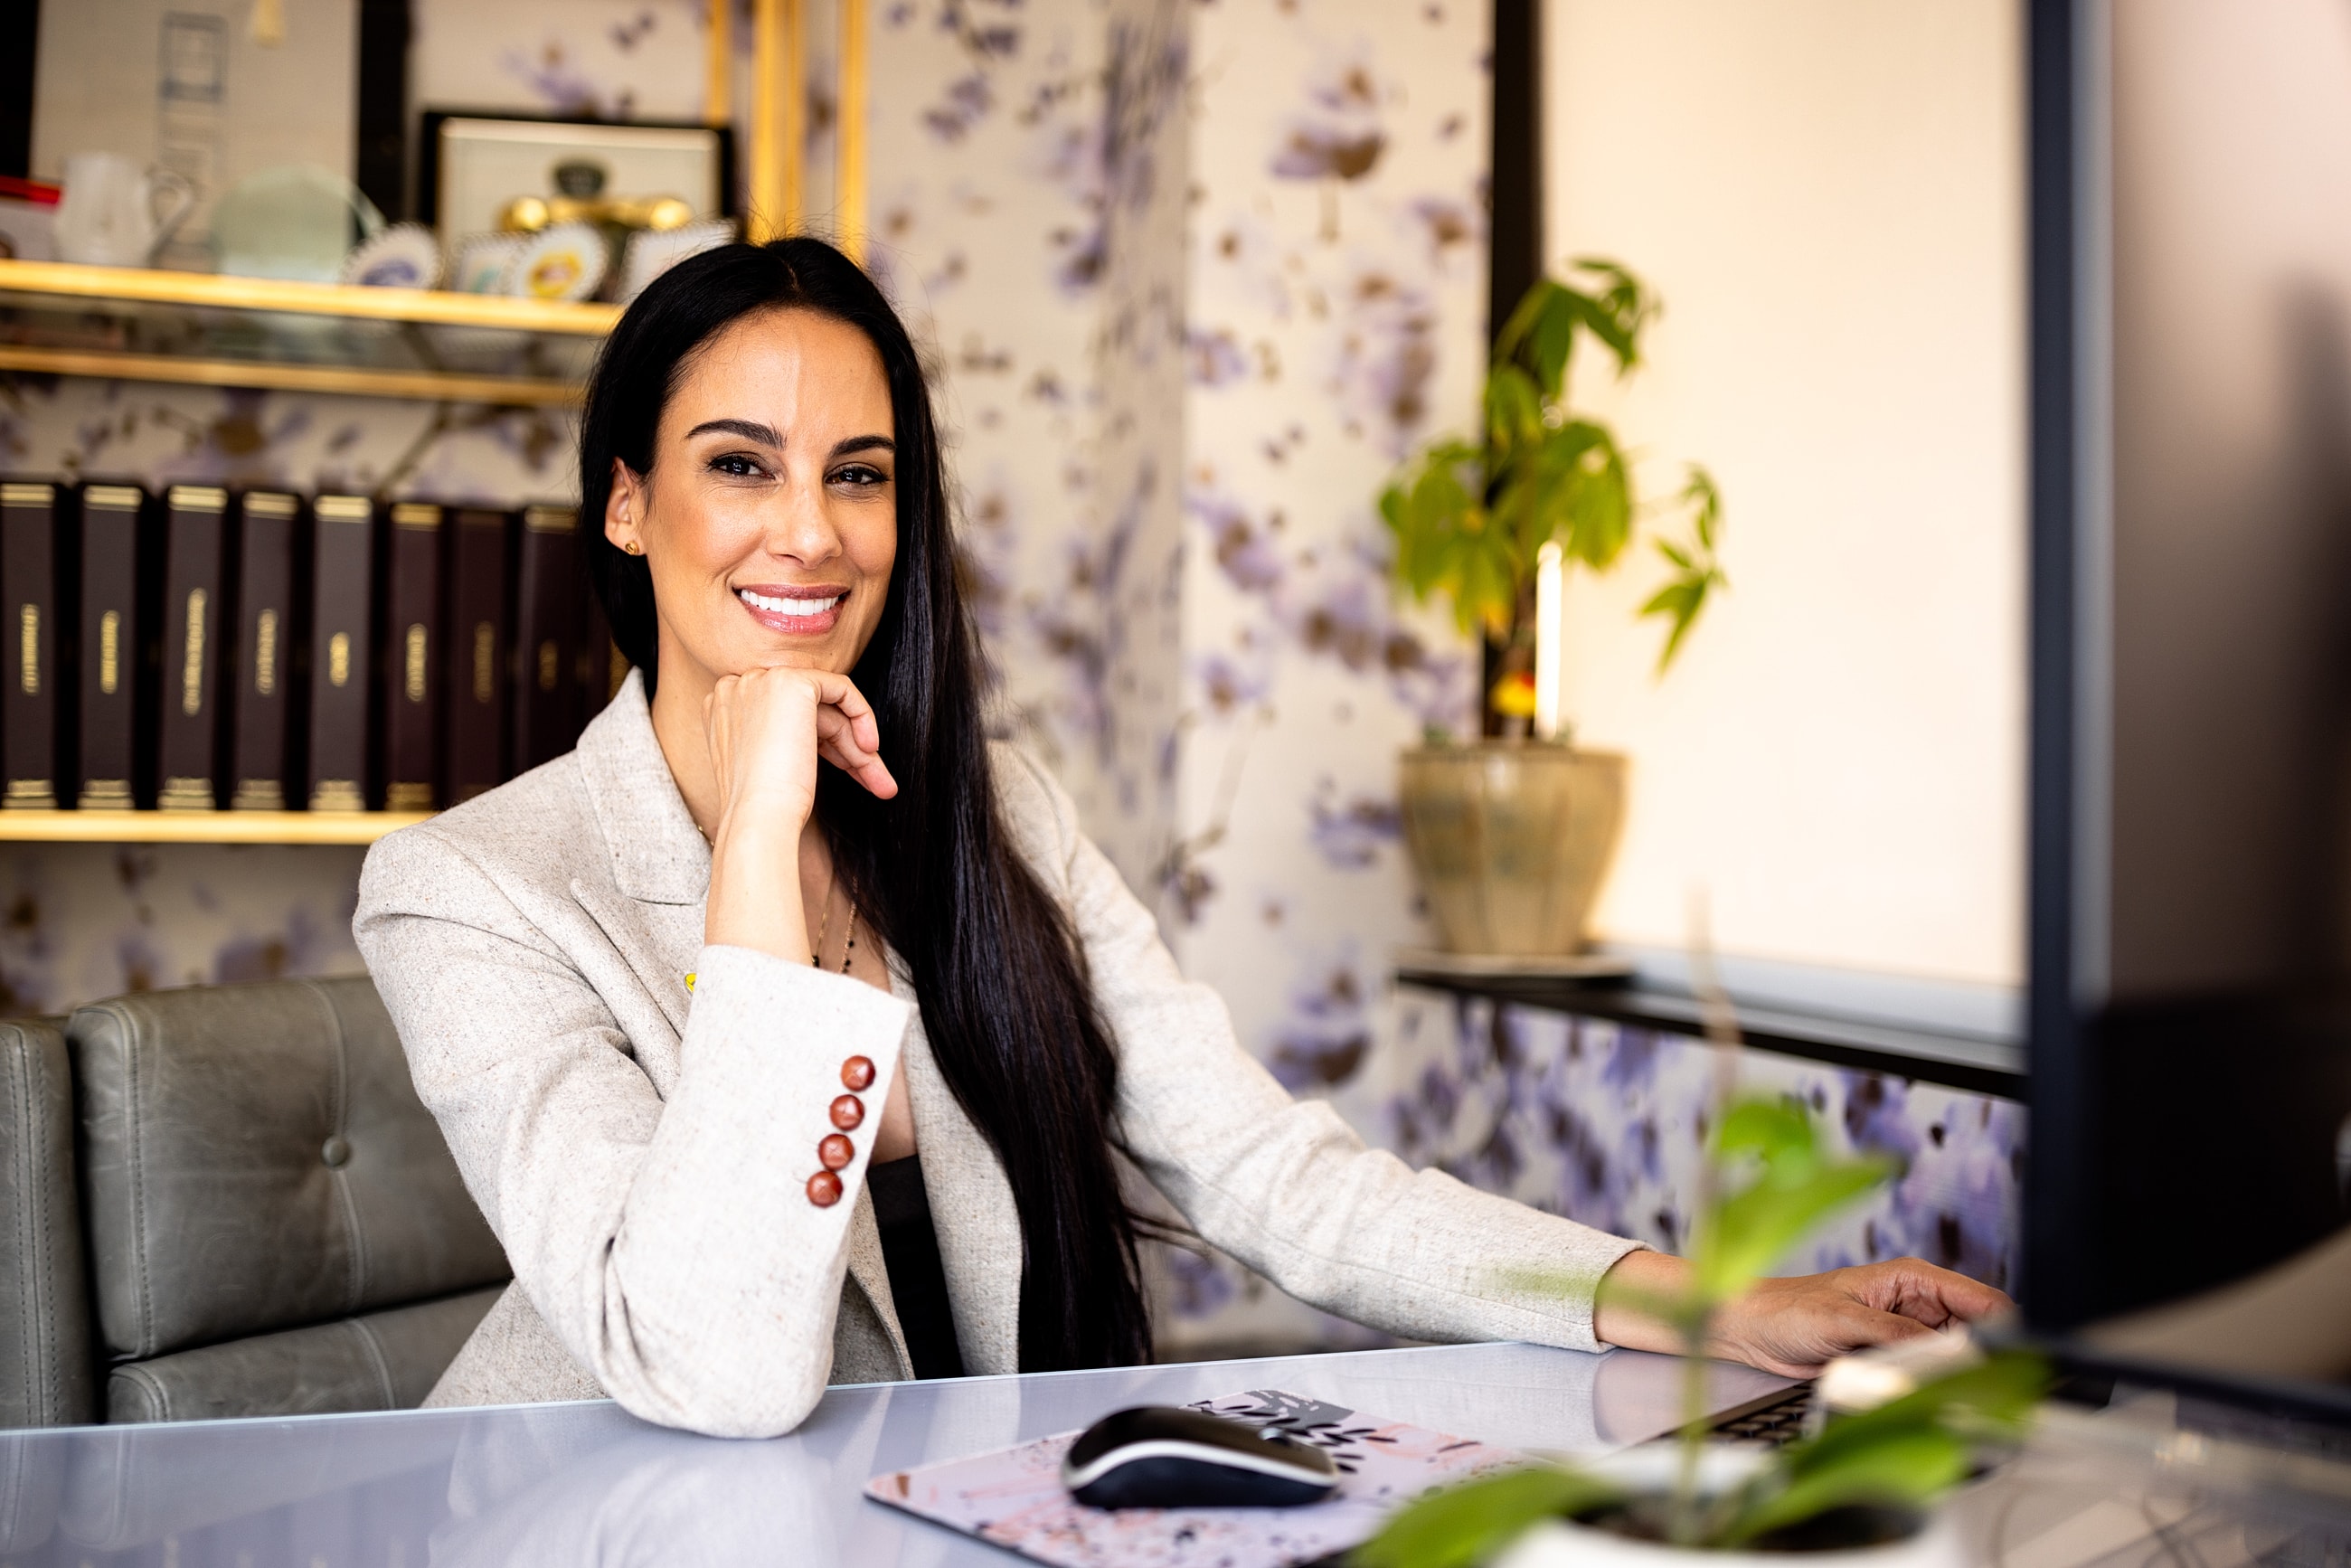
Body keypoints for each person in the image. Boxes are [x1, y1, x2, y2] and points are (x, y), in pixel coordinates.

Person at [354, 238, 2009, 1440]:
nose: (811, 529)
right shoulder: (471, 890)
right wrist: (756, 831)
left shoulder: (997, 814)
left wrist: (1716, 1304)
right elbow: (718, 1367)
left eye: (859, 475)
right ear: (628, 503)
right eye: (740, 466)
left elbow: (1275, 1176)